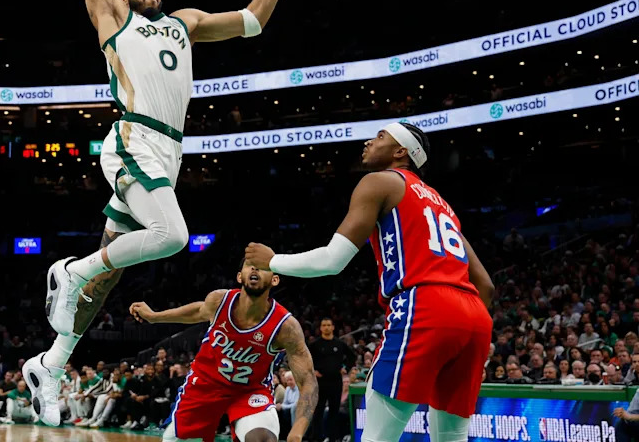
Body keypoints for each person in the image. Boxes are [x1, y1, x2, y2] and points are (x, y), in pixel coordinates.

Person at [24, 0, 311, 426]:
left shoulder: (186, 23)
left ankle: (51, 362)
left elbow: (253, 21)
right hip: (133, 139)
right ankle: (69, 270)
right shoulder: (113, 16)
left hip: (169, 152)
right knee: (172, 237)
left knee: (108, 278)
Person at [246, 123, 495, 442]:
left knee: (378, 436)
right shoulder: (442, 204)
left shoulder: (380, 182)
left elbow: (332, 260)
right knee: (452, 437)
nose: (368, 141)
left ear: (400, 151)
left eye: (380, 137)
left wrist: (273, 260)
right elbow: (485, 285)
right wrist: (460, 329)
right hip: (474, 318)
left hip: (426, 304)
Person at [127, 256, 318, 442]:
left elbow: (308, 380)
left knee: (263, 439)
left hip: (250, 391)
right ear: (239, 277)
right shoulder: (219, 301)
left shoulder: (286, 327)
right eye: (250, 265)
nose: (255, 269)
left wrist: (297, 433)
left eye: (262, 266)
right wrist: (155, 316)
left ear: (275, 279)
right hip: (204, 385)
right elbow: (198, 311)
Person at [307, 317, 353, 442]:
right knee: (318, 412)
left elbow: (352, 356)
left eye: (329, 325)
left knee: (334, 411)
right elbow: (304, 358)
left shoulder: (339, 344)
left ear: (333, 327)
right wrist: (312, 371)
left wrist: (346, 368)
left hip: (336, 382)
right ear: (320, 328)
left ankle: (333, 438)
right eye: (324, 325)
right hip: (320, 383)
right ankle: (316, 438)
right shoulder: (315, 345)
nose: (326, 327)